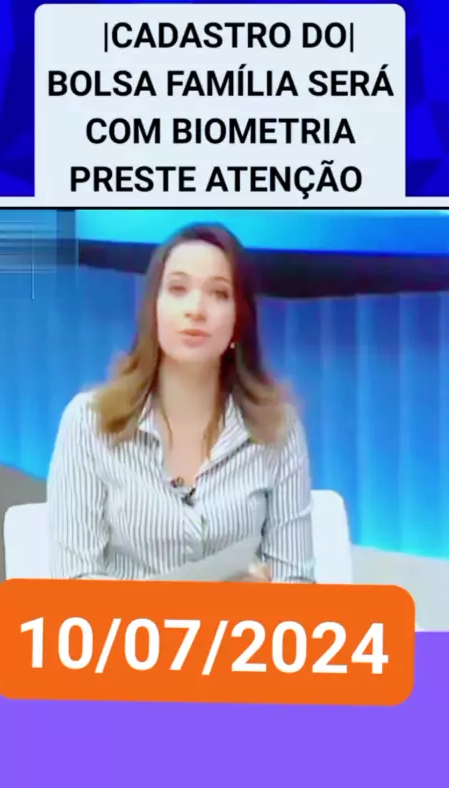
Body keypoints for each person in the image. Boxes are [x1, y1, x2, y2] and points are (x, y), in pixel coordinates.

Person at [47, 223, 315, 583]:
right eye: (178, 289)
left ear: (239, 320)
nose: (196, 309)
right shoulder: (89, 421)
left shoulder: (277, 428)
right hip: (123, 624)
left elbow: (296, 586)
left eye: (218, 294)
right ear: (153, 309)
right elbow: (73, 584)